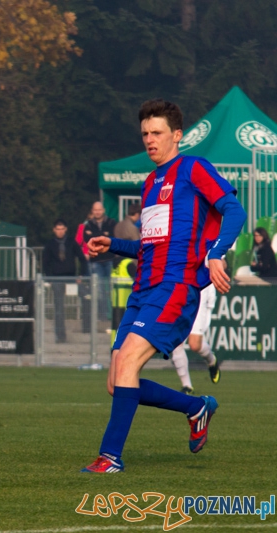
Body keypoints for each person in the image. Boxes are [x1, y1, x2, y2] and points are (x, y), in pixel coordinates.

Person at [82, 98, 246, 473]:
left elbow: (234, 210)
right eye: (144, 134)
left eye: (156, 133)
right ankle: (196, 407)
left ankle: (109, 458)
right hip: (144, 290)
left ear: (177, 135)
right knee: (116, 380)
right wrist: (116, 245)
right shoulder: (151, 182)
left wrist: (216, 253)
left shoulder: (193, 168)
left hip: (176, 287)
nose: (149, 140)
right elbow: (153, 244)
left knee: (125, 365)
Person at [42, 219, 87, 344]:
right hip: (57, 279)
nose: (60, 232)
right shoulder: (50, 244)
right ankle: (60, 336)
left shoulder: (71, 242)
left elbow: (82, 259)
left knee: (87, 297)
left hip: (72, 278)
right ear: (54, 230)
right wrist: (49, 278)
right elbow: (45, 263)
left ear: (65, 229)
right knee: (59, 308)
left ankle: (87, 329)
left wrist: (81, 275)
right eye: (58, 229)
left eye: (62, 229)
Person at [171, 284, 221, 394]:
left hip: (200, 294)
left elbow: (221, 266)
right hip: (180, 293)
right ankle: (187, 386)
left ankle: (212, 361)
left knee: (195, 344)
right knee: (176, 343)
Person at [83, 201, 116, 320]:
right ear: (92, 211)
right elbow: (87, 239)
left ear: (103, 210)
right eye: (95, 210)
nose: (97, 212)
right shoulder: (88, 224)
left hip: (109, 260)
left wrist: (95, 235)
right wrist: (103, 235)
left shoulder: (111, 222)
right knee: (100, 290)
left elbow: (112, 237)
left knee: (112, 289)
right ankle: (103, 316)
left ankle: (114, 315)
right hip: (96, 261)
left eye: (99, 209)